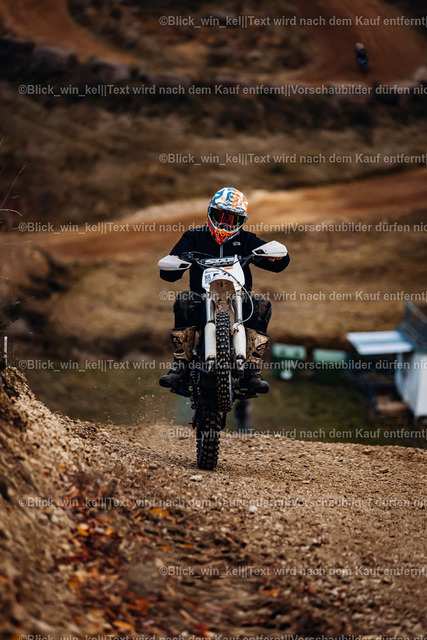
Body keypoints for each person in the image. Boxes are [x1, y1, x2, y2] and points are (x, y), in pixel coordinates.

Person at [159, 187, 290, 393]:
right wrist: (174, 262)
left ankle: (252, 369)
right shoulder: (193, 237)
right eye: (220, 217)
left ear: (242, 221)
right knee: (185, 299)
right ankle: (181, 365)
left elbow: (279, 264)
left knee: (261, 304)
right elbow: (168, 273)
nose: (224, 224)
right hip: (202, 298)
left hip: (239, 298)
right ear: (210, 213)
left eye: (232, 220)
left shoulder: (246, 240)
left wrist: (277, 257)